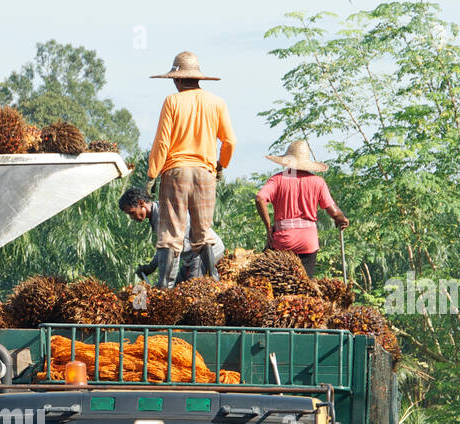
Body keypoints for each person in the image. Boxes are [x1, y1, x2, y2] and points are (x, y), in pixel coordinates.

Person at [146, 51, 236, 288]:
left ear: (177, 80)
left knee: (171, 232)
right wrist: (221, 165)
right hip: (205, 173)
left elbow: (162, 143)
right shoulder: (217, 103)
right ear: (198, 78)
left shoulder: (172, 102)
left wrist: (152, 173)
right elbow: (230, 142)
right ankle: (212, 279)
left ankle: (164, 287)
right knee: (202, 230)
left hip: (176, 172)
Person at [254, 140, 350, 278]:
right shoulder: (317, 182)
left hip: (283, 241)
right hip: (307, 242)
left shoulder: (277, 180)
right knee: (304, 285)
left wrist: (269, 228)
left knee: (278, 285)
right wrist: (342, 219)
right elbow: (334, 212)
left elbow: (259, 198)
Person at [119, 187, 225, 282]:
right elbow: (164, 250)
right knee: (179, 288)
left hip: (206, 252)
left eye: (132, 213)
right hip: (193, 256)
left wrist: (165, 284)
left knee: (192, 289)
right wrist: (151, 267)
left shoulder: (164, 216)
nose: (132, 217)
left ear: (141, 203)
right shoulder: (157, 215)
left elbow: (173, 254)